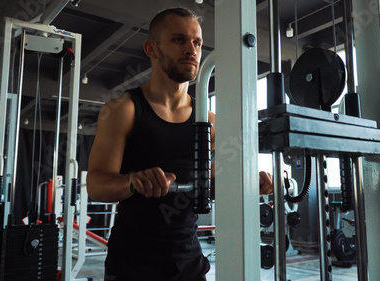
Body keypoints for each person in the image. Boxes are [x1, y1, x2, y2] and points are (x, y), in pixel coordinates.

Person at [87, 7, 273, 281]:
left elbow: (212, 184)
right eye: (179, 40)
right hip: (132, 264)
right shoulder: (122, 109)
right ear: (151, 48)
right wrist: (132, 182)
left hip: (189, 262)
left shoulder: (209, 120)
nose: (192, 50)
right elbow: (96, 185)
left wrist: (249, 185)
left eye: (196, 42)